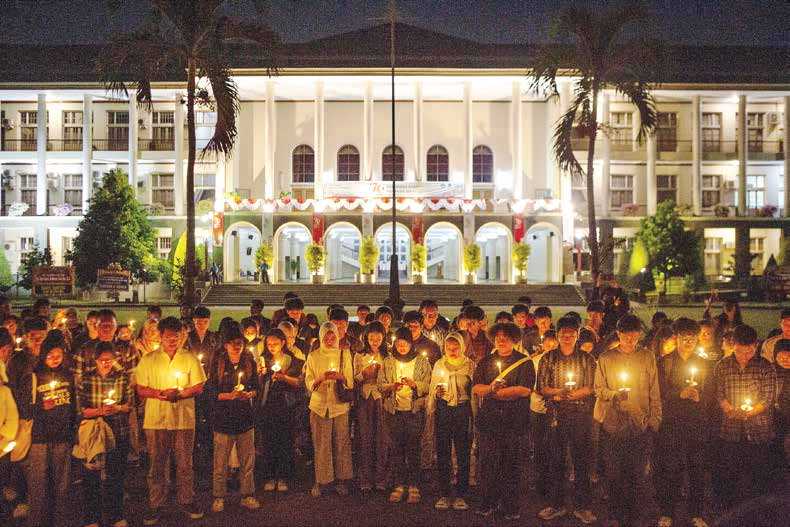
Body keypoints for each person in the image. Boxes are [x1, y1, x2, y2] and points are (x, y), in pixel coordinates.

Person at [135, 317, 206, 525]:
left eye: (176, 337)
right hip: (156, 420)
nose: (172, 341)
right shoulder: (149, 359)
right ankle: (156, 503)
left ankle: (187, 499)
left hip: (183, 420)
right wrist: (160, 394)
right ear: (161, 336)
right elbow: (140, 388)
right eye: (168, 337)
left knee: (185, 464)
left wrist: (181, 393)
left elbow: (199, 385)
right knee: (157, 464)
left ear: (182, 336)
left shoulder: (189, 358)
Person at [594, 314, 662, 527]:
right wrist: (614, 394)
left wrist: (655, 417)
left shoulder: (647, 356)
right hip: (614, 425)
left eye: (635, 337)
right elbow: (598, 389)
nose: (631, 341)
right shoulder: (606, 358)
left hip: (640, 423)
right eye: (626, 336)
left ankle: (635, 516)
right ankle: (616, 515)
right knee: (614, 473)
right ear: (619, 334)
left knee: (637, 473)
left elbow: (654, 389)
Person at [537, 316, 597, 524]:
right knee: (556, 460)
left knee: (581, 460)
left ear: (577, 335)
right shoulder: (548, 358)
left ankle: (583, 506)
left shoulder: (587, 359)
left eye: (572, 333)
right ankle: (557, 504)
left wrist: (571, 394)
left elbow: (590, 387)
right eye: (563, 333)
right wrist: (560, 392)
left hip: (580, 414)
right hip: (556, 414)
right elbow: (542, 387)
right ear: (558, 334)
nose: (567, 336)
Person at [472, 322, 534, 520]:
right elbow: (476, 388)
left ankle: (510, 506)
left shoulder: (524, 362)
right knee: (488, 465)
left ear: (514, 340)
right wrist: (492, 390)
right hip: (489, 422)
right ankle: (487, 502)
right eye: (498, 337)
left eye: (505, 337)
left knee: (511, 464)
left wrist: (497, 393)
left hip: (514, 423)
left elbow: (524, 390)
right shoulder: (485, 362)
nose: (501, 340)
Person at [655, 318, 713, 527]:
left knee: (697, 468)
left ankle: (696, 513)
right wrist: (680, 393)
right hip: (672, 423)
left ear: (697, 339)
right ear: (676, 338)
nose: (688, 342)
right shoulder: (665, 362)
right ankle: (667, 512)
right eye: (683, 337)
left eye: (692, 338)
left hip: (696, 423)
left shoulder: (704, 364)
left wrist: (700, 397)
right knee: (671, 468)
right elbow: (659, 391)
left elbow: (711, 393)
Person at [713, 324, 776, 507]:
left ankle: (757, 509)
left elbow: (768, 397)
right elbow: (719, 393)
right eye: (740, 351)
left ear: (755, 346)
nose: (745, 356)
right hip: (730, 429)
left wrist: (749, 412)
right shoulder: (723, 365)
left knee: (758, 474)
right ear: (734, 345)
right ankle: (729, 509)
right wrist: (729, 409)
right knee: (730, 472)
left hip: (758, 430)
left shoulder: (765, 366)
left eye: (749, 352)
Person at [77, 341, 134, 527]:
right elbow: (81, 410)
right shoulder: (86, 379)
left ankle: (116, 515)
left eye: (109, 360)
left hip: (117, 431)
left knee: (115, 477)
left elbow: (129, 405)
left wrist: (116, 407)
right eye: (102, 360)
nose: (106, 363)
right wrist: (100, 411)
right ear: (95, 360)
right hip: (94, 434)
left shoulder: (122, 378)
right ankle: (92, 518)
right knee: (91, 478)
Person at [205, 326, 260, 514]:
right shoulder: (218, 364)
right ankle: (219, 496)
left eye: (240, 344)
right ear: (226, 345)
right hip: (223, 420)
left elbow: (256, 387)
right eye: (233, 344)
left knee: (247, 460)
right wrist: (227, 396)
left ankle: (247, 494)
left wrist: (249, 393)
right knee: (220, 462)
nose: (237, 347)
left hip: (245, 419)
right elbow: (211, 391)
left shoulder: (249, 361)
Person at [24, 332, 76, 527]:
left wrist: (73, 431)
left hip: (62, 435)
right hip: (39, 437)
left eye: (58, 355)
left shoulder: (68, 376)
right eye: (50, 355)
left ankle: (61, 520)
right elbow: (25, 407)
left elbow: (73, 406)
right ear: (43, 355)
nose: (54, 359)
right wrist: (40, 406)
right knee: (38, 484)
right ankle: (37, 521)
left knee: (62, 484)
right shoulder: (35, 376)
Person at [377, 327, 431, 504]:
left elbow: (428, 383)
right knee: (397, 449)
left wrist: (415, 384)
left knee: (414, 447)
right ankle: (400, 484)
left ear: (411, 344)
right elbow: (380, 385)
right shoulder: (388, 361)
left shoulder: (421, 361)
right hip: (394, 411)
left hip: (413, 411)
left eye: (405, 344)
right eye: (399, 344)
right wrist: (391, 387)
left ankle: (414, 485)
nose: (402, 347)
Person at [304, 322, 354, 497]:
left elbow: (350, 381)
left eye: (333, 334)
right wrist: (320, 379)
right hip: (319, 405)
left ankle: (342, 479)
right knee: (321, 444)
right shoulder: (313, 356)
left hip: (339, 405)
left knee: (341, 444)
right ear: (321, 336)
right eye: (327, 335)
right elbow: (309, 382)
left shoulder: (344, 354)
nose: (330, 338)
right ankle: (322, 480)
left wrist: (340, 377)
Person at [429, 332, 473, 511]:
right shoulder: (440, 364)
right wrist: (437, 393)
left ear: (462, 347)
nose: (452, 351)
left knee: (463, 450)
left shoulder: (469, 365)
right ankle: (444, 492)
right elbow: (433, 386)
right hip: (444, 409)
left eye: (456, 348)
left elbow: (473, 389)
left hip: (462, 410)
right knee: (443, 451)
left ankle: (461, 492)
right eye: (449, 348)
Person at [258, 328, 303, 493]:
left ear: (283, 343)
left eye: (275, 343)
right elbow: (259, 383)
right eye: (269, 344)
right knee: (269, 441)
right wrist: (261, 375)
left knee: (285, 440)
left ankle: (283, 476)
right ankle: (270, 476)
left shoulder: (293, 361)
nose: (271, 347)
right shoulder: (263, 360)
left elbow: (299, 383)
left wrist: (284, 377)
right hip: (268, 405)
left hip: (286, 405)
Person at [353, 321, 388, 492]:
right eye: (372, 338)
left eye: (378, 338)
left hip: (382, 398)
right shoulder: (359, 356)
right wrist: (364, 374)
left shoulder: (387, 356)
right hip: (365, 398)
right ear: (366, 337)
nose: (375, 341)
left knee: (381, 439)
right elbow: (353, 380)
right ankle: (365, 478)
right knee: (365, 438)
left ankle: (381, 478)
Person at [187, 305, 218, 487]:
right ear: (193, 322)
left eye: (205, 322)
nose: (201, 325)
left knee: (210, 415)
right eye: (198, 322)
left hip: (210, 383)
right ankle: (195, 451)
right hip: (193, 383)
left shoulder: (213, 338)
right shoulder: (188, 339)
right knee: (195, 417)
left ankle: (208, 450)